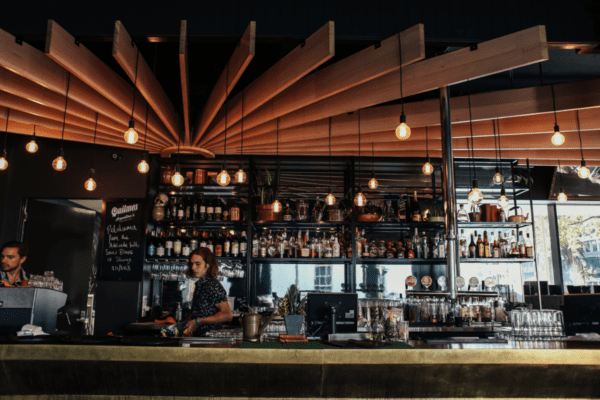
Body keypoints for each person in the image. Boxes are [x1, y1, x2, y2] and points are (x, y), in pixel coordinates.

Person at [184, 247, 232, 336]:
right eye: (191, 264)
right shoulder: (201, 284)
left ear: (208, 264)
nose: (193, 267)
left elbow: (227, 315)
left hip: (210, 340)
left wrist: (198, 321)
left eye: (197, 264)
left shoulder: (212, 285)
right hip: (200, 339)